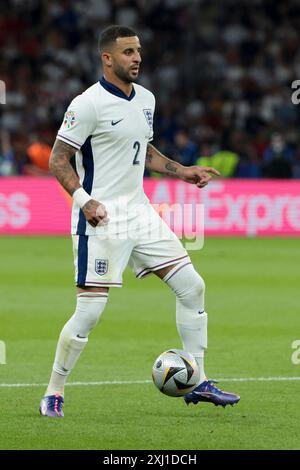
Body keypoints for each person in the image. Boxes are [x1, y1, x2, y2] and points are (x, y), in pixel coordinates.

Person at [39, 25, 240, 418]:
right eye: (128, 52)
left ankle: (197, 379)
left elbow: (141, 150)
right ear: (107, 58)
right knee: (90, 312)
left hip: (141, 212)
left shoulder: (146, 99)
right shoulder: (88, 104)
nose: (137, 58)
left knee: (192, 287)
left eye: (139, 51)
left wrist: (181, 170)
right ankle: (53, 391)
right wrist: (84, 201)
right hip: (101, 221)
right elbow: (57, 159)